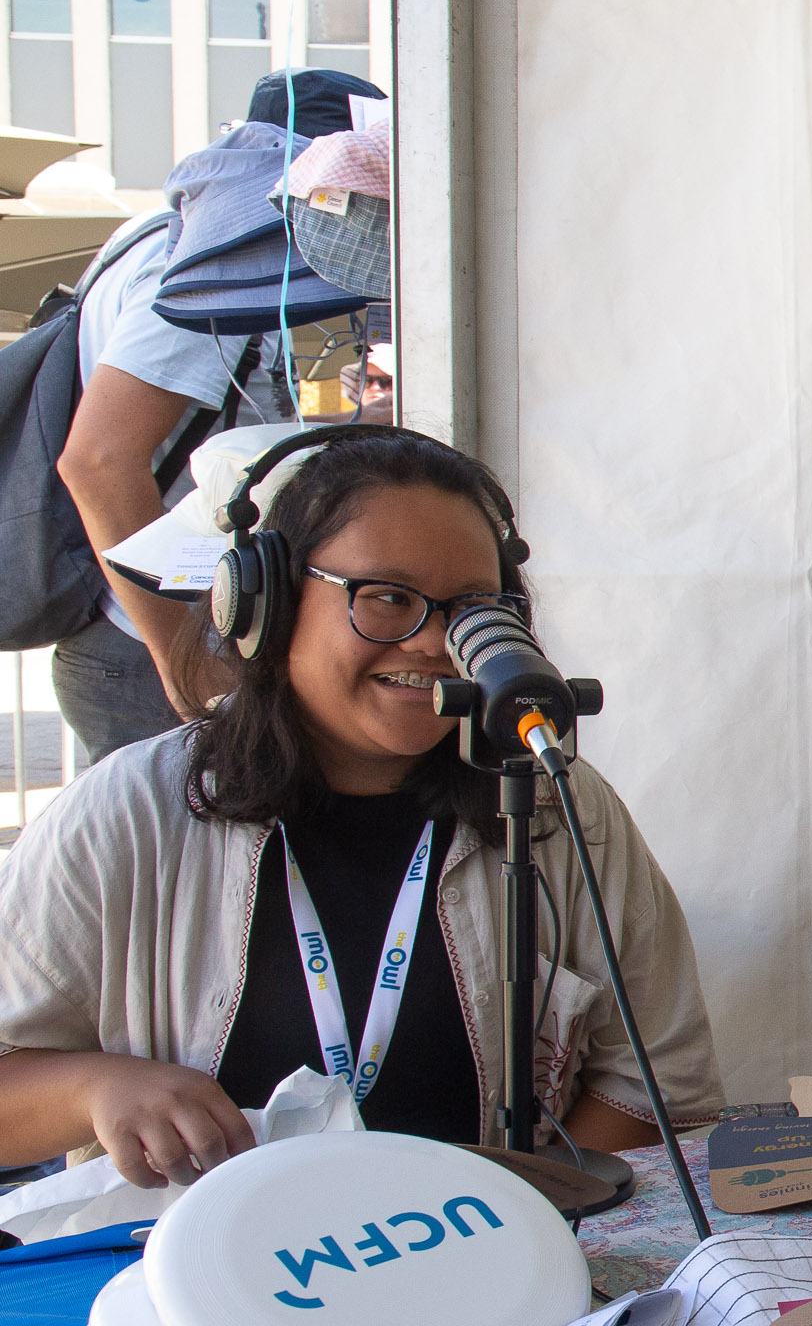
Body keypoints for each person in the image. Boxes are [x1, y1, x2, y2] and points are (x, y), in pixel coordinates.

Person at [0, 426, 725, 1185]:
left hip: (489, 1265)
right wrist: (97, 1089)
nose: (434, 642)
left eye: (472, 608)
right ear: (266, 604)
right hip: (206, 1279)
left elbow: (657, 1084)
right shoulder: (132, 811)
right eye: (386, 598)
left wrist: (508, 1211)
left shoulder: (551, 802)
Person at [52, 67, 384, 761]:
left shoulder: (166, 234)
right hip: (153, 638)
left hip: (170, 623)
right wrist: (181, 656)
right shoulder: (212, 273)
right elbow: (98, 459)